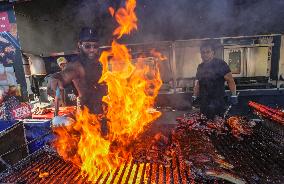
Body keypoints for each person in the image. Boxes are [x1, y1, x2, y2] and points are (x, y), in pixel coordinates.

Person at [47, 27, 107, 116]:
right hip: (87, 115)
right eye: (87, 46)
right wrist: (54, 78)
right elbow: (63, 75)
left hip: (105, 111)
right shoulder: (76, 66)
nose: (92, 50)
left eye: (95, 46)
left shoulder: (99, 62)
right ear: (80, 45)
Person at [192, 41, 238, 119]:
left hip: (218, 101)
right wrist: (194, 95)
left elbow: (230, 80)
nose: (205, 54)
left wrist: (233, 94)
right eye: (203, 52)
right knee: (204, 123)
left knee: (219, 123)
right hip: (204, 102)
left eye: (207, 52)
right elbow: (198, 83)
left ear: (213, 52)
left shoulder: (221, 64)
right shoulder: (200, 66)